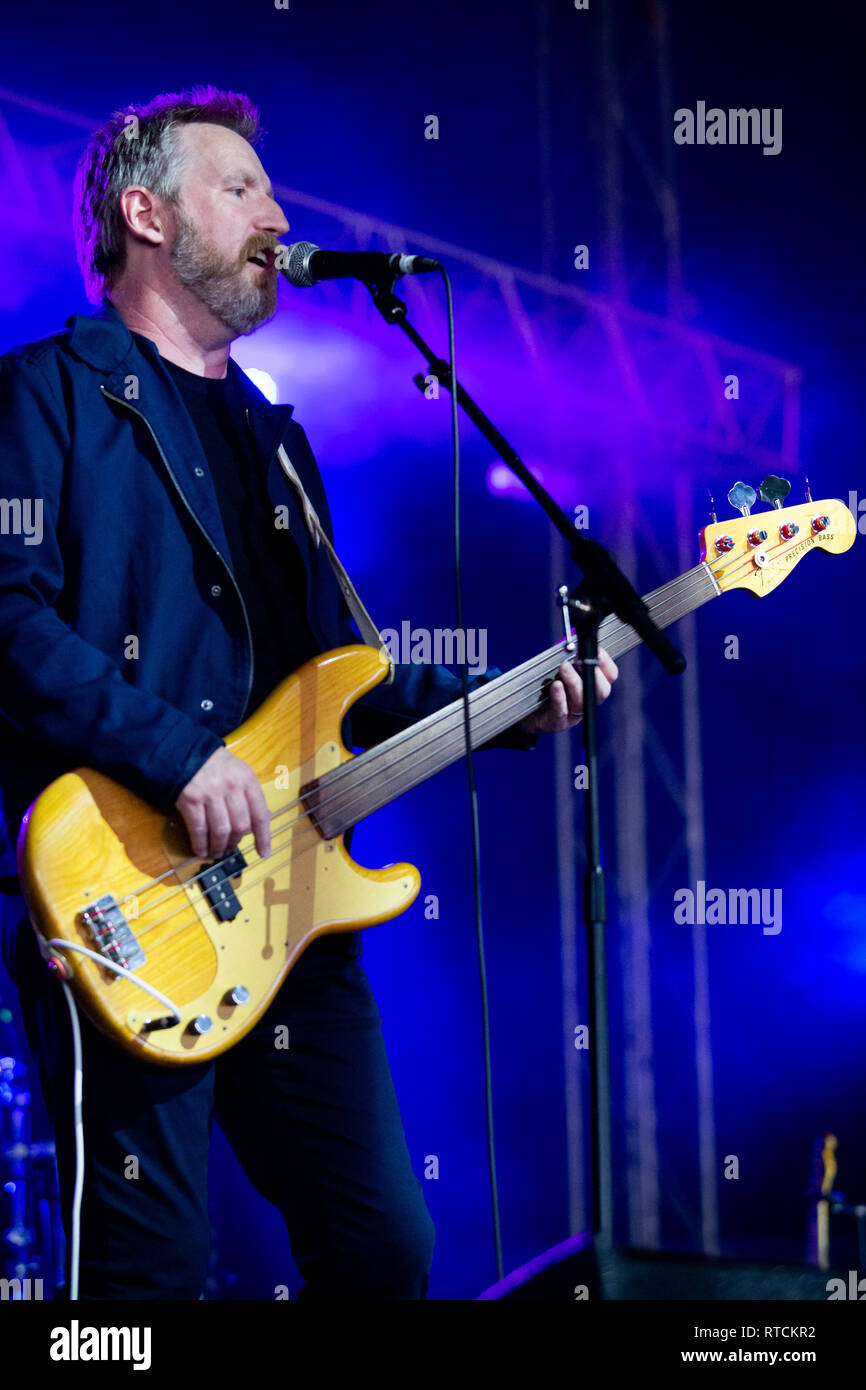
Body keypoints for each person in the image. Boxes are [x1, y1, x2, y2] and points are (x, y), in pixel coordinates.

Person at [0, 86, 618, 1300]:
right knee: (147, 1274)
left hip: (287, 912)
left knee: (383, 1244)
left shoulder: (281, 441)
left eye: (272, 192)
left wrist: (509, 702)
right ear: (147, 214)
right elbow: (7, 617)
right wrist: (179, 753)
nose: (277, 216)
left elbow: (341, 679)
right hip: (117, 891)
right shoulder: (44, 396)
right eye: (240, 189)